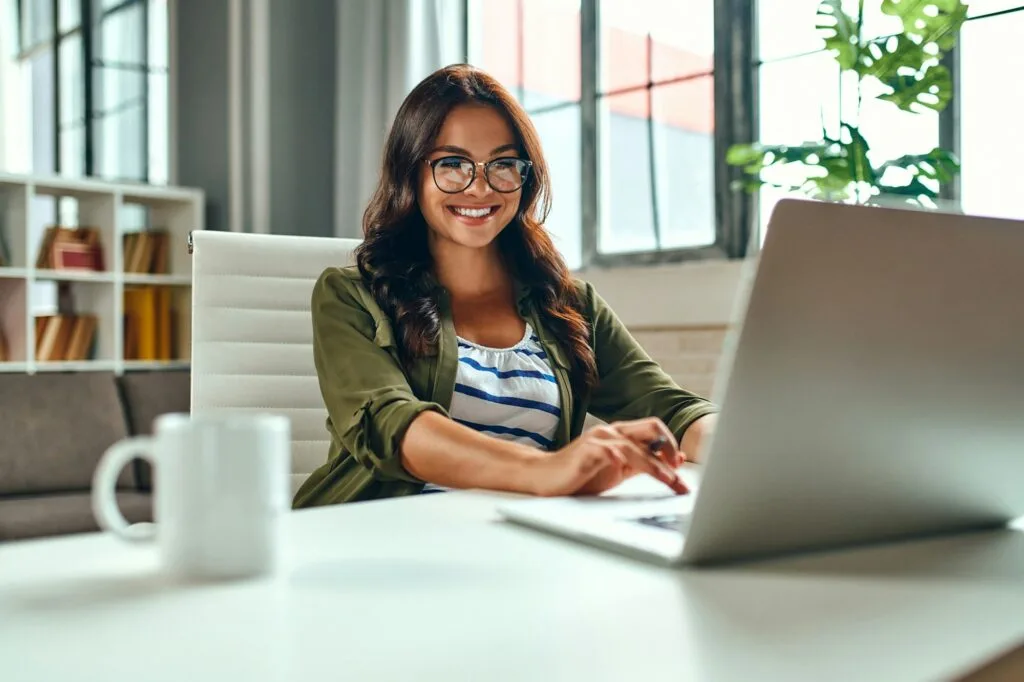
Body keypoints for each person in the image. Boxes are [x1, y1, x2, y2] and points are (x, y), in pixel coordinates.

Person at [292, 64, 718, 508]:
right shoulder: (350, 296)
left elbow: (672, 409)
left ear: (524, 177)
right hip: (375, 540)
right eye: (452, 164)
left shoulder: (569, 304)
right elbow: (393, 426)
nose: (480, 187)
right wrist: (550, 469)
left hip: (517, 541)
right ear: (411, 171)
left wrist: (746, 446)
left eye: (502, 165)